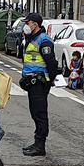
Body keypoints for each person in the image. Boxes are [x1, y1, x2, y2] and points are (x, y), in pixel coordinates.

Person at [19, 12, 59, 157]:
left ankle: (40, 146)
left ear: (35, 24)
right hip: (32, 82)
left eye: (27, 23)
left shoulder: (44, 40)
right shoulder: (32, 39)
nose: (26, 25)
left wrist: (49, 80)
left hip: (39, 83)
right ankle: (37, 143)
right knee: (35, 113)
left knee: (40, 114)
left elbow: (51, 63)